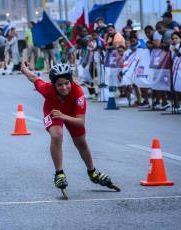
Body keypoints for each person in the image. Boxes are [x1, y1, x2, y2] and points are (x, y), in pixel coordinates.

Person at [20, 62, 120, 195]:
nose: (64, 87)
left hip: (72, 114)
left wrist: (63, 116)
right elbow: (33, 78)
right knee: (57, 135)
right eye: (59, 85)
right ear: (53, 85)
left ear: (71, 81)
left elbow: (80, 122)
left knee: (81, 143)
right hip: (53, 111)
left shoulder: (78, 93)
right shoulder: (47, 89)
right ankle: (59, 173)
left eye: (67, 83)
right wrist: (24, 69)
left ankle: (92, 172)